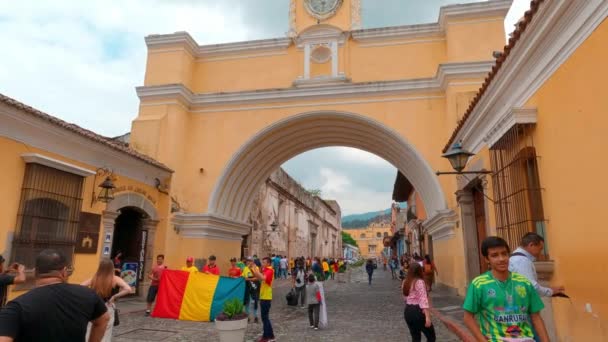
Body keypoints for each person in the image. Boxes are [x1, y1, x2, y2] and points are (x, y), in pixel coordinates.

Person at [0, 249, 110, 342]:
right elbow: (104, 319)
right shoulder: (88, 295)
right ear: (64, 272)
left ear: (35, 273)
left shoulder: (15, 307)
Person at [463, 236, 549, 342]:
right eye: (495, 255)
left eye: (504, 253)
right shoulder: (479, 284)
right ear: (486, 259)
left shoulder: (524, 282)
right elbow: (468, 318)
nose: (501, 259)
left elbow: (536, 317)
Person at [82, 258, 132, 341]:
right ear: (112, 267)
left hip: (93, 307)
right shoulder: (115, 279)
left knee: (90, 329)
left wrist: (89, 296)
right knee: (106, 331)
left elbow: (81, 286)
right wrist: (115, 296)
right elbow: (128, 289)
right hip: (107, 306)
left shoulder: (95, 278)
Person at [509, 232, 564, 297]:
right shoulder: (521, 261)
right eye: (540, 249)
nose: (540, 253)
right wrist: (550, 291)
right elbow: (531, 286)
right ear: (531, 245)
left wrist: (547, 289)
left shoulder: (516, 258)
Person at [402, 262, 436, 342]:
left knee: (415, 338)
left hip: (408, 311)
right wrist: (427, 317)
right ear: (419, 271)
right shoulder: (419, 282)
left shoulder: (405, 282)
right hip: (418, 310)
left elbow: (404, 297)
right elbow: (423, 299)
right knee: (431, 337)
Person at [252, 257, 275, 342]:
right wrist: (254, 269)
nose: (263, 264)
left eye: (264, 262)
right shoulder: (266, 270)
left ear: (268, 263)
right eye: (262, 262)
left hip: (266, 297)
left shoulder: (270, 270)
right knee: (265, 318)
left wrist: (257, 271)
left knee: (265, 318)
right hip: (263, 296)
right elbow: (259, 277)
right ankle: (271, 336)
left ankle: (266, 337)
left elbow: (263, 278)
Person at [242, 257, 260, 323]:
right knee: (247, 301)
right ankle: (248, 317)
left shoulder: (256, 268)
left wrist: (249, 279)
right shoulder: (245, 268)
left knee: (255, 301)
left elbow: (258, 278)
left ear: (253, 262)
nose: (249, 262)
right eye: (248, 261)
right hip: (247, 286)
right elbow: (243, 277)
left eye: (250, 261)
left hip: (254, 286)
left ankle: (256, 316)